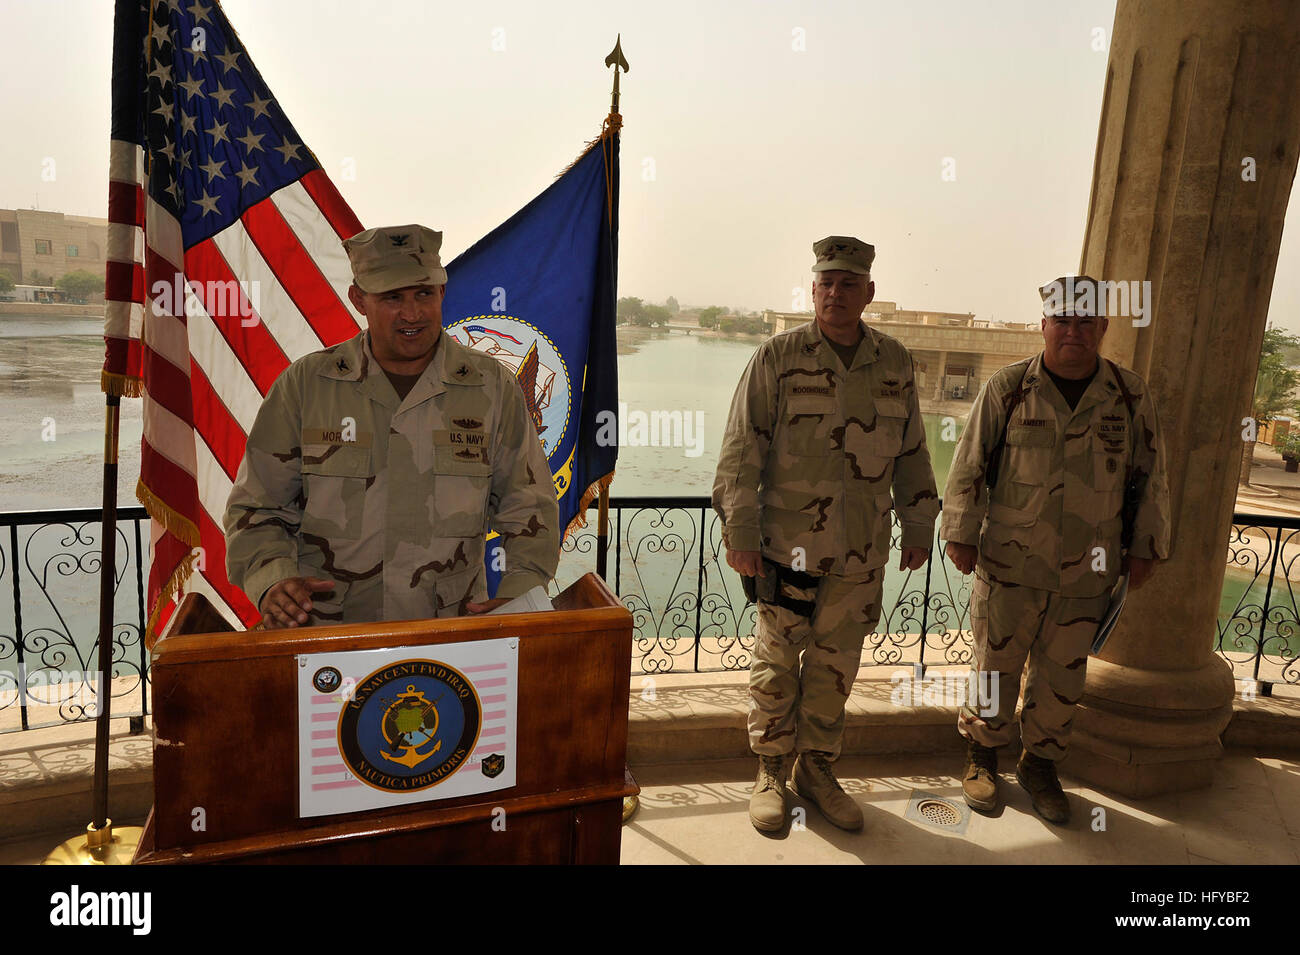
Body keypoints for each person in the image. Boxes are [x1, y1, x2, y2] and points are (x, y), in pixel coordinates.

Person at [224, 224, 559, 629]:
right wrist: (273, 581)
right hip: (328, 635)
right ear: (359, 299)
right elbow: (257, 508)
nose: (412, 313)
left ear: (442, 292)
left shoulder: (492, 388)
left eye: (423, 293)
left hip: (449, 635)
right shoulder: (307, 386)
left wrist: (516, 596)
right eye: (391, 297)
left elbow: (528, 507)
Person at [713, 236, 939, 832]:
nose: (836, 293)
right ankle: (769, 771)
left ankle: (816, 770)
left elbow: (914, 453)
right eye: (826, 283)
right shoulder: (778, 357)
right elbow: (741, 452)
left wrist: (919, 522)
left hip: (862, 552)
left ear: (868, 293)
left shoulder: (894, 363)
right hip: (786, 548)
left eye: (848, 284)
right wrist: (740, 531)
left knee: (836, 668)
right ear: (813, 291)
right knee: (777, 664)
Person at [941, 275, 1170, 824]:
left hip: (1087, 570)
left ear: (1102, 328)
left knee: (1063, 675)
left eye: (1085, 322)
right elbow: (969, 464)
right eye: (1062, 320)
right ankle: (982, 757)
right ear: (1044, 325)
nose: (1073, 331)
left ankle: (1040, 765)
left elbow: (1152, 474)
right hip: (1010, 562)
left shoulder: (1129, 394)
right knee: (995, 667)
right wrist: (960, 531)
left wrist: (1146, 546)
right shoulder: (1009, 386)